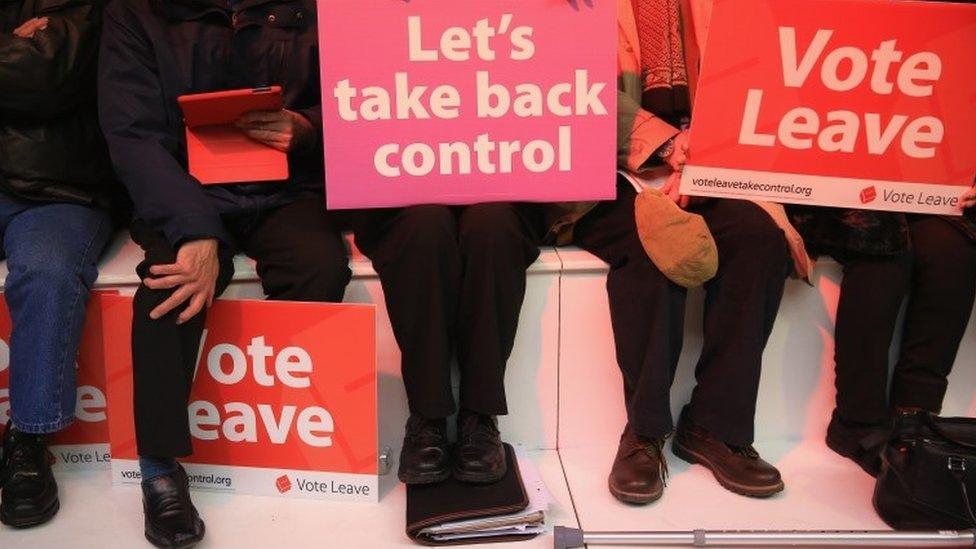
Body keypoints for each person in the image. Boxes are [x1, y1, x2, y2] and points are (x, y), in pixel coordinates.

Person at [98, 0, 348, 545]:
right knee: (170, 285)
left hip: (286, 187)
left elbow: (358, 97)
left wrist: (305, 129)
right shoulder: (134, 12)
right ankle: (159, 470)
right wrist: (195, 228)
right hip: (180, 191)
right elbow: (132, 133)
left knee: (320, 265)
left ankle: (295, 434)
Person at [547, 0, 810, 504]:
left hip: (713, 160)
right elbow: (562, 82)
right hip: (602, 167)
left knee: (757, 238)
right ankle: (644, 433)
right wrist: (667, 145)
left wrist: (706, 152)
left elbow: (761, 83)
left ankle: (717, 426)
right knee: (656, 244)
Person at [0, 0, 121, 528]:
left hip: (59, 190)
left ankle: (28, 438)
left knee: (46, 271)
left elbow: (43, 77)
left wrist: (27, 58)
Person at [353, 204, 544, 486]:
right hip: (401, 198)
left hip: (502, 192)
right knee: (422, 226)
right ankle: (427, 416)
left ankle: (480, 413)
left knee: (493, 225)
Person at [789, 191, 976, 476]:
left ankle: (915, 418)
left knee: (954, 251)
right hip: (837, 197)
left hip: (929, 199)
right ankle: (856, 422)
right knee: (883, 249)